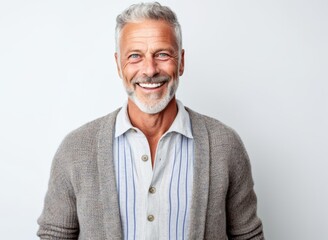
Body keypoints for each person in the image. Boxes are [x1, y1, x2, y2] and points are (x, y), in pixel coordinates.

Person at [37, 2, 264, 239]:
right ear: (118, 65)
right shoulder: (76, 149)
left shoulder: (225, 146)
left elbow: (248, 236)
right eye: (135, 56)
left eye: (162, 54)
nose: (150, 69)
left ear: (181, 61)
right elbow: (54, 235)